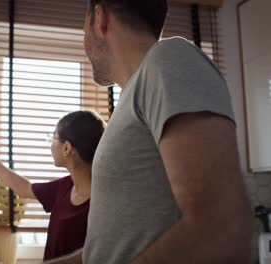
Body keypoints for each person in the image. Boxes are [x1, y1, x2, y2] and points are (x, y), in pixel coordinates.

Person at [67, 0, 252, 263]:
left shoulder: (169, 58)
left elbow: (221, 227)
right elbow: (114, 248)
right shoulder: (132, 98)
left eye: (82, 27)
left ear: (100, 18)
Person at [0, 111, 106, 261]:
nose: (50, 144)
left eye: (53, 137)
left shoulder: (105, 205)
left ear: (66, 148)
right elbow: (25, 188)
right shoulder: (64, 187)